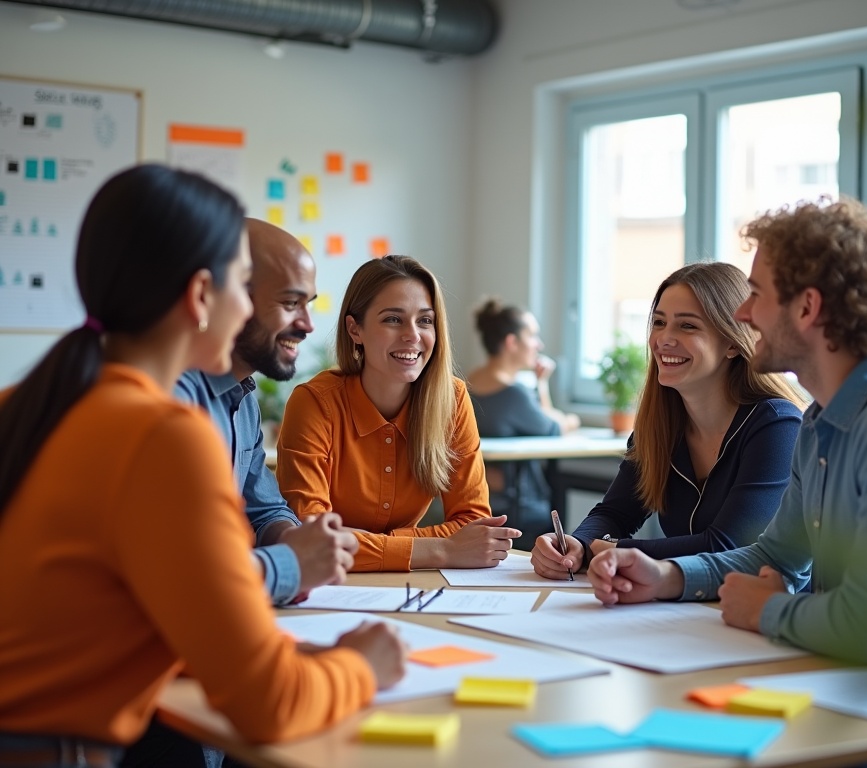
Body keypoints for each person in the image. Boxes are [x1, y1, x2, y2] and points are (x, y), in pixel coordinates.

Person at [0, 165, 406, 766]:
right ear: (199, 297)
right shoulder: (163, 434)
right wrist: (361, 666)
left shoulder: (33, 402)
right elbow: (270, 706)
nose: (246, 307)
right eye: (244, 287)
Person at [588, 198, 867, 668]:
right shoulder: (820, 420)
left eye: (757, 294)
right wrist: (664, 575)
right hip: (855, 682)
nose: (743, 315)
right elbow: (776, 555)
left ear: (807, 307)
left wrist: (766, 609)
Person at [532, 262, 804, 580]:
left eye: (687, 326)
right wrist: (576, 544)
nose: (664, 339)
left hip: (769, 616)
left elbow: (727, 547)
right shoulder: (658, 427)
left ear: (732, 342)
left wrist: (613, 550)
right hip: (687, 609)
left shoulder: (777, 426)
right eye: (659, 323)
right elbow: (615, 512)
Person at [276, 255, 521, 571]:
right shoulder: (314, 403)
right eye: (393, 319)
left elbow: (474, 523)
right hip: (327, 587)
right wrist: (441, 550)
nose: (413, 335)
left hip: (410, 587)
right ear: (355, 329)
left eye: (425, 320)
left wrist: (368, 545)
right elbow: (311, 538)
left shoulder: (453, 399)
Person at [175, 219, 355, 607]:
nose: (307, 324)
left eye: (308, 303)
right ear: (213, 297)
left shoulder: (243, 402)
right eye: (291, 303)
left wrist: (297, 541)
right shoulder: (174, 404)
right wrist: (292, 564)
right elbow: (187, 573)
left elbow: (264, 508)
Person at [467, 299, 581, 544]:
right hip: (519, 513)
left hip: (477, 505)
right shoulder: (513, 394)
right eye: (533, 336)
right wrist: (543, 385)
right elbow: (555, 427)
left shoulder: (467, 384)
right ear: (511, 342)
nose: (539, 344)